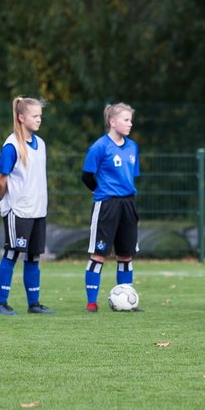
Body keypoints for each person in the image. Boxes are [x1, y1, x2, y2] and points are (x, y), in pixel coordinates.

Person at [0, 97, 56, 315]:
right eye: (35, 116)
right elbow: (1, 178)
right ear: (21, 117)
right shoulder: (12, 145)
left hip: (38, 210)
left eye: (40, 115)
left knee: (33, 257)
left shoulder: (41, 144)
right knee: (12, 253)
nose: (39, 120)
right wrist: (9, 200)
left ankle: (34, 304)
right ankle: (2, 303)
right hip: (18, 210)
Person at [81, 103, 140, 312]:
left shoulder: (133, 147)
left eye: (130, 120)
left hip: (128, 204)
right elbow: (86, 175)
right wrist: (100, 191)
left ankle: (126, 301)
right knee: (98, 254)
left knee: (126, 255)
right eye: (125, 120)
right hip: (106, 204)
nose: (129, 124)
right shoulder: (99, 146)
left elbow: (132, 176)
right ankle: (91, 302)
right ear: (112, 122)